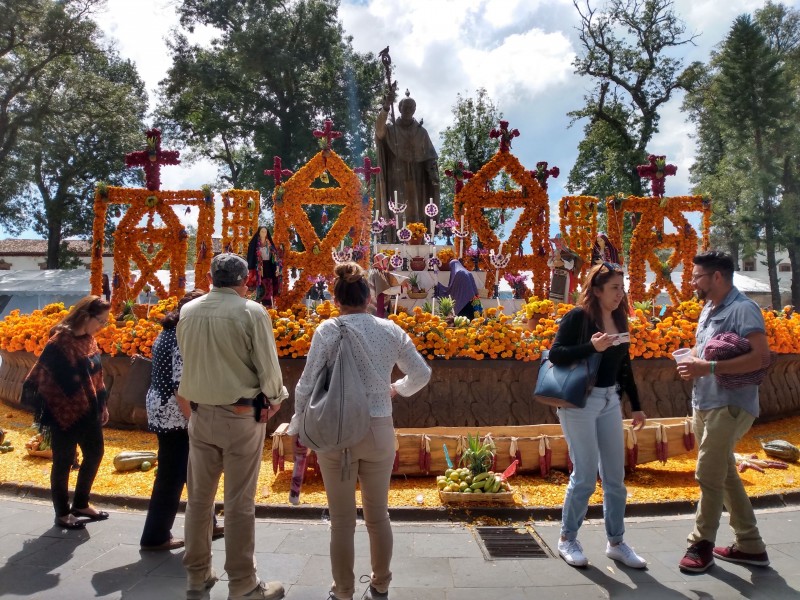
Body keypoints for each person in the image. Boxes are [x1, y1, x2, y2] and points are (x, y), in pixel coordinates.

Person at [287, 262, 431, 600]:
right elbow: (421, 374)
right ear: (369, 296)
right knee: (378, 515)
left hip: (335, 429)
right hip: (379, 427)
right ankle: (380, 584)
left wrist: (297, 424)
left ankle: (344, 590)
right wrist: (396, 388)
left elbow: (306, 386)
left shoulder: (327, 330)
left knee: (341, 520)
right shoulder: (390, 330)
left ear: (336, 299)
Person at [177, 253, 288, 600]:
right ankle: (242, 583)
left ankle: (197, 576)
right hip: (241, 417)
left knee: (198, 500)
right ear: (246, 279)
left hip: (200, 415)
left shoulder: (188, 311)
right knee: (239, 502)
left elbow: (186, 357)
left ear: (211, 277)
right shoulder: (251, 312)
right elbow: (268, 369)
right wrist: (275, 399)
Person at [676, 250, 772, 572]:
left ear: (717, 276)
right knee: (725, 474)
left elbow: (761, 358)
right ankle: (751, 546)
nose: (692, 282)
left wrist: (710, 366)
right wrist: (693, 359)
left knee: (708, 473)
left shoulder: (744, 309)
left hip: (730, 404)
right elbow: (705, 354)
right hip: (703, 402)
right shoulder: (707, 308)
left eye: (697, 276)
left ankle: (700, 544)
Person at [548, 262, 647, 569]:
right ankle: (567, 538)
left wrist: (636, 404)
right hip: (580, 402)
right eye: (615, 288)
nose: (621, 294)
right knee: (586, 476)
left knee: (616, 478)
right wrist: (590, 347)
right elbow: (556, 353)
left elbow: (625, 364)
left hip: (609, 401)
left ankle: (616, 542)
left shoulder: (619, 319)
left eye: (623, 287)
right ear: (597, 290)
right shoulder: (579, 316)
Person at [140, 289, 224, 551]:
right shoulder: (180, 337)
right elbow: (181, 389)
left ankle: (206, 523)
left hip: (162, 408)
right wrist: (194, 422)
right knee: (172, 475)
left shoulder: (168, 331)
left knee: (192, 471)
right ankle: (155, 535)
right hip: (174, 415)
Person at [23, 295, 112, 530]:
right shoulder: (60, 342)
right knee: (64, 461)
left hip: (89, 410)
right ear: (85, 316)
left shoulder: (89, 339)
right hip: (61, 412)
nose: (103, 327)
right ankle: (62, 513)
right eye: (101, 321)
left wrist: (101, 404)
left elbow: (96, 376)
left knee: (95, 454)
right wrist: (61, 403)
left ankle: (81, 503)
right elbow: (42, 377)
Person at [375, 90, 440, 224]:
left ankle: (418, 234)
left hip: (417, 177)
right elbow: (379, 131)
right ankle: (396, 237)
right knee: (397, 207)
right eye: (406, 107)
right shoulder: (391, 129)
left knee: (418, 207)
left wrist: (432, 172)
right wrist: (386, 106)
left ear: (415, 110)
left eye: (412, 107)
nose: (409, 110)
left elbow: (430, 156)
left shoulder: (421, 132)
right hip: (396, 175)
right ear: (399, 108)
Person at [246, 226, 282, 308]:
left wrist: (277, 266)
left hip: (268, 266)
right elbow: (251, 256)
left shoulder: (269, 244)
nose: (263, 233)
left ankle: (268, 304)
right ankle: (257, 303)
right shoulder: (254, 243)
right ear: (259, 232)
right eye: (262, 231)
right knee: (259, 284)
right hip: (258, 267)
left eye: (265, 232)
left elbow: (275, 256)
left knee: (268, 283)